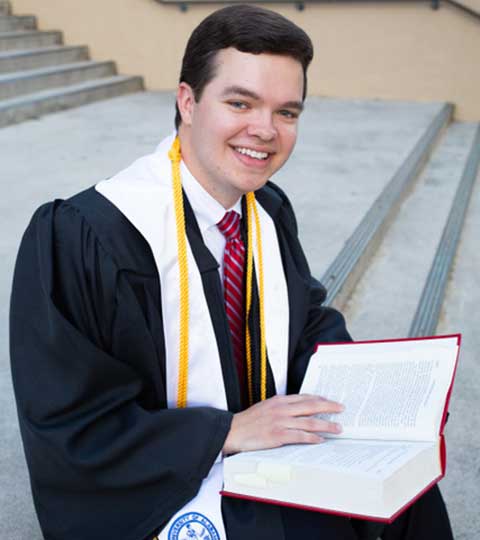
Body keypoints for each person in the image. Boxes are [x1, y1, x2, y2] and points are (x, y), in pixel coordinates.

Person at [9, 5, 453, 540]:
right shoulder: (85, 237)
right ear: (188, 102)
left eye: (287, 112)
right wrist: (227, 432)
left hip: (262, 447)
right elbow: (71, 425)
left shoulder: (264, 211)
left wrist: (369, 398)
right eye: (240, 102)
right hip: (154, 484)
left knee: (409, 490)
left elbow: (303, 316)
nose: (264, 130)